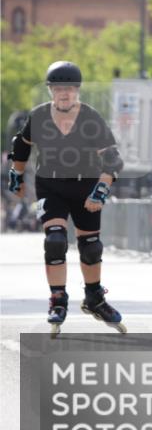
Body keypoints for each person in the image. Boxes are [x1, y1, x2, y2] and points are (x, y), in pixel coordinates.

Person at [7, 61, 126, 337]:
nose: (64, 94)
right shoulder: (38, 117)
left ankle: (95, 298)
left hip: (86, 188)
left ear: (77, 91)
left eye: (70, 89)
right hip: (50, 187)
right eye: (59, 88)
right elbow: (21, 147)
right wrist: (16, 175)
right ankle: (58, 300)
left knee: (91, 247)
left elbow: (112, 160)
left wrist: (100, 190)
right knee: (55, 241)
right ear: (50, 90)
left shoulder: (90, 118)